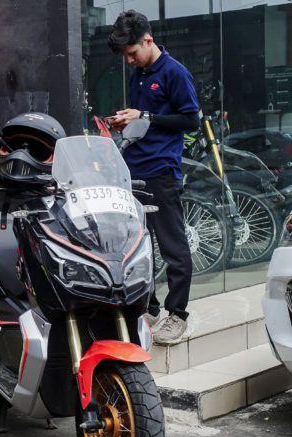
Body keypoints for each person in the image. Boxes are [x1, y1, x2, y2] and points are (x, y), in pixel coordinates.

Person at [106, 10, 199, 343]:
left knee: (172, 247)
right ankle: (150, 307)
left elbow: (190, 121)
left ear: (148, 40)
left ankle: (178, 314)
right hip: (133, 171)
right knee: (137, 246)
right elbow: (144, 122)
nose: (130, 60)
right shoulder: (139, 74)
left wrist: (145, 115)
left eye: (132, 53)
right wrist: (125, 123)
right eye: (125, 56)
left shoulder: (175, 73)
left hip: (162, 171)